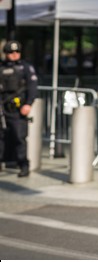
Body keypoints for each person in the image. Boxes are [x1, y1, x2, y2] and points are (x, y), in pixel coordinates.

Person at [0, 40, 38, 177]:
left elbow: (32, 87)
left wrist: (28, 104)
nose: (14, 54)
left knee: (19, 137)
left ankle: (23, 165)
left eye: (17, 52)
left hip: (18, 108)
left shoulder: (25, 67)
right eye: (11, 52)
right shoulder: (1, 67)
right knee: (1, 138)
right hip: (3, 108)